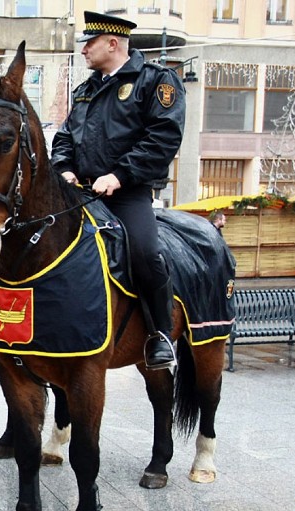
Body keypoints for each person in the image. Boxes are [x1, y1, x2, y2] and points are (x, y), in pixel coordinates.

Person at [50, 11, 186, 370]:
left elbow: (163, 138)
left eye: (89, 43)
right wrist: (63, 169)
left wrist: (119, 175)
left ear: (112, 43)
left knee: (144, 253)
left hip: (126, 194)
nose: (83, 50)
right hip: (79, 194)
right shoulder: (85, 90)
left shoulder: (155, 81)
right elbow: (64, 137)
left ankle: (159, 334)